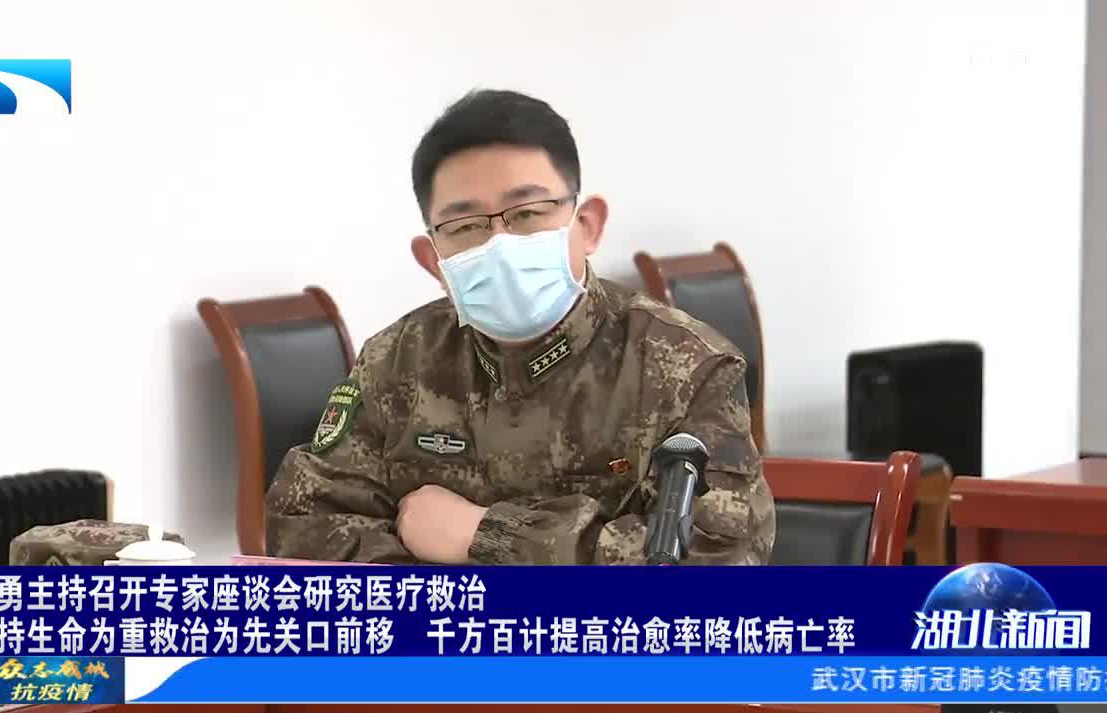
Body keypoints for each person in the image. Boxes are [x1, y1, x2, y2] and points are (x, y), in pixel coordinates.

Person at [265, 89, 774, 565]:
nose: (500, 244)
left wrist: (487, 536)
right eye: (466, 226)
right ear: (433, 259)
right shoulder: (397, 360)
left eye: (527, 214)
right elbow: (306, 520)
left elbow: (721, 557)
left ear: (587, 225)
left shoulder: (685, 366)